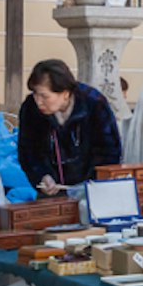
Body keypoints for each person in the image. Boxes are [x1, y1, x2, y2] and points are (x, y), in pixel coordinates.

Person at [17, 59, 122, 194]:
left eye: (44, 96)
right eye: (35, 94)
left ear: (65, 93)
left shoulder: (94, 104)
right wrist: (42, 176)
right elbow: (28, 152)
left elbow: (109, 151)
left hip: (92, 189)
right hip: (53, 190)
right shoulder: (30, 108)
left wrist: (92, 183)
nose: (38, 102)